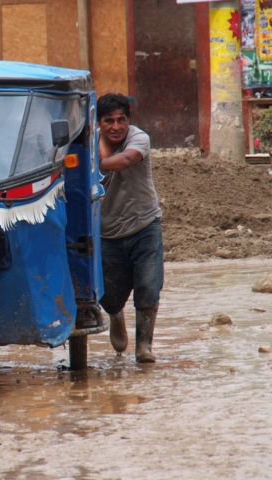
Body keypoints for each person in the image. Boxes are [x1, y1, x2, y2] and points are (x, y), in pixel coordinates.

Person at [97, 93, 163, 363]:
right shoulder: (89, 143)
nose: (116, 127)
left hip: (144, 224)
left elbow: (124, 161)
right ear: (98, 122)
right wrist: (96, 143)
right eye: (108, 121)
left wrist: (97, 160)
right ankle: (116, 315)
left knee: (148, 285)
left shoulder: (139, 138)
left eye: (121, 120)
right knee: (109, 295)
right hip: (107, 231)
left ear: (129, 121)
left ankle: (144, 346)